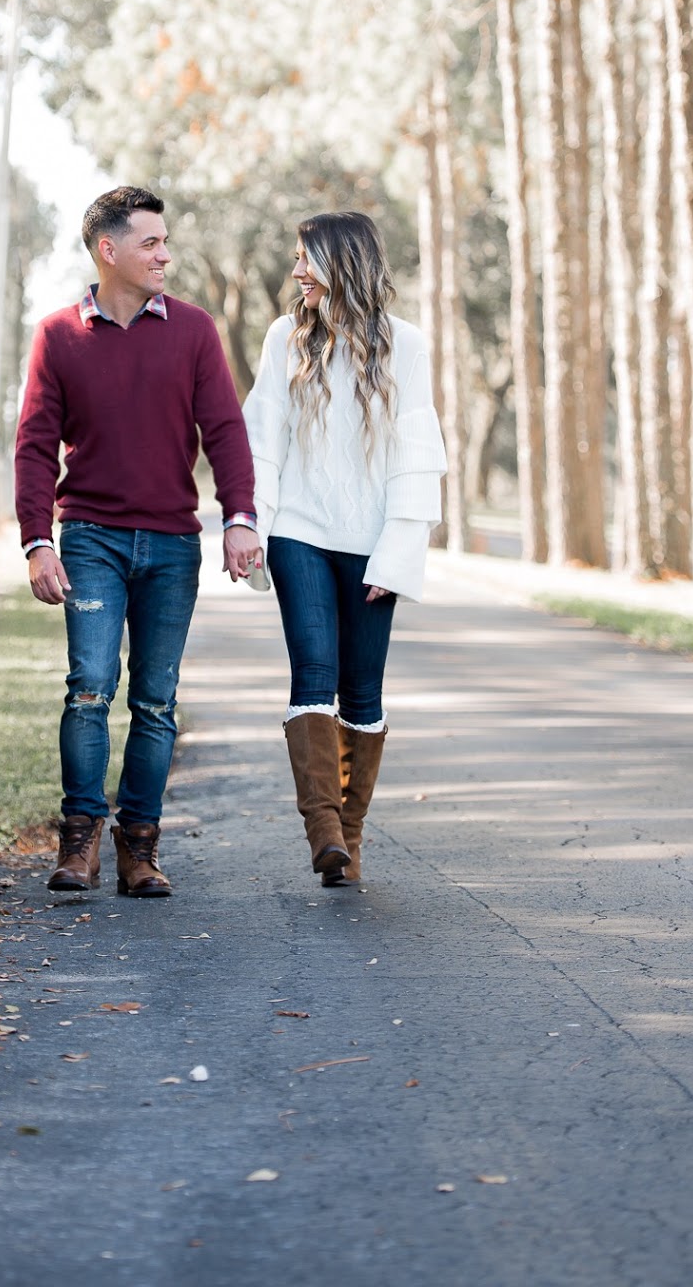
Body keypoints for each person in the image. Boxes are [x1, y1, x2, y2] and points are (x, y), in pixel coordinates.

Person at [15, 186, 261, 897]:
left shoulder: (191, 332)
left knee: (155, 700)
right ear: (108, 250)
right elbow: (34, 446)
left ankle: (139, 848)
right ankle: (79, 844)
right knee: (89, 688)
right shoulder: (59, 335)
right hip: (88, 537)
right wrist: (38, 540)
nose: (164, 254)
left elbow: (223, 430)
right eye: (150, 242)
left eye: (164, 241)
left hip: (170, 546)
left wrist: (238, 516)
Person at [242, 211, 446, 887]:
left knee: (361, 689)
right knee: (313, 673)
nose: (295, 270)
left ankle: (348, 840)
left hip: (372, 540)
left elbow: (416, 456)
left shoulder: (405, 345)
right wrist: (250, 520)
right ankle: (324, 834)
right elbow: (262, 439)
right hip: (299, 531)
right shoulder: (284, 339)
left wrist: (396, 552)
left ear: (341, 263)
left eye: (305, 257)